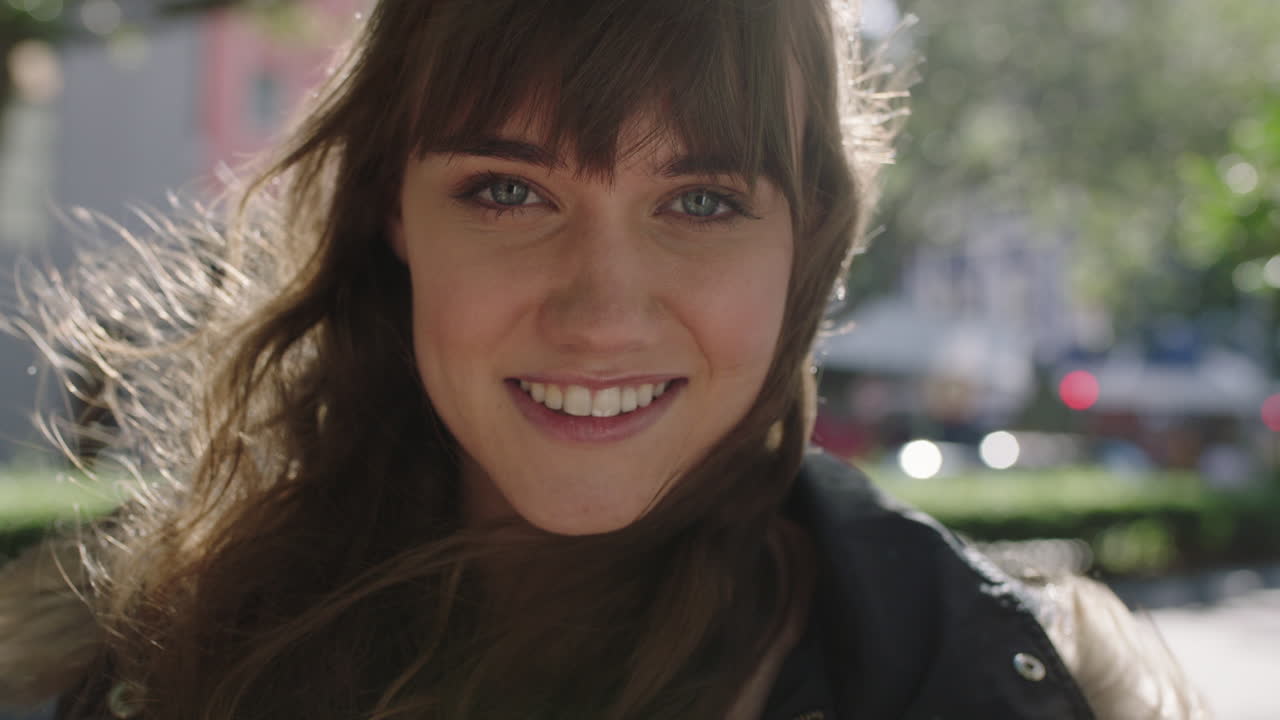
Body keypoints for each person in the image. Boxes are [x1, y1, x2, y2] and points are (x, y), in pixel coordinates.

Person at [0, 1, 1207, 718]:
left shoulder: (973, 686)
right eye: (509, 188)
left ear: (809, 244)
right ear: (393, 214)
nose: (600, 313)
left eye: (701, 201)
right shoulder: (151, 662)